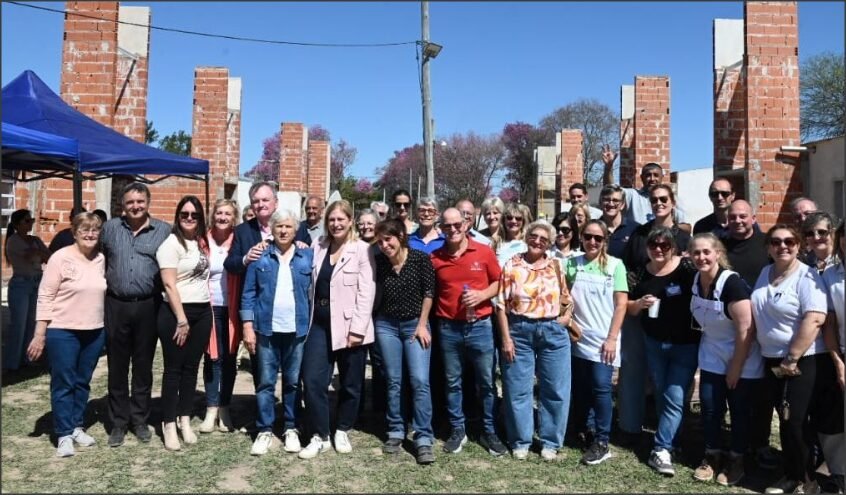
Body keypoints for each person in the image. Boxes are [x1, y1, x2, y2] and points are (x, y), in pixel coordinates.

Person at [751, 224, 828, 494]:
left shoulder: (806, 276)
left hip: (800, 360)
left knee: (795, 420)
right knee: (784, 420)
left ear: (798, 245)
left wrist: (792, 357)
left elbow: (816, 317)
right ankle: (792, 473)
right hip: (771, 358)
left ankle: (806, 480)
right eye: (775, 242)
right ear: (768, 247)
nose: (782, 246)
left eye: (789, 241)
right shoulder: (765, 272)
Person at [299, 200, 376, 459]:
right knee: (312, 380)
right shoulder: (317, 246)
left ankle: (342, 428)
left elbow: (367, 293)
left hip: (350, 325)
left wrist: (358, 328)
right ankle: (320, 434)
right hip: (318, 324)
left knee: (351, 383)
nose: (336, 224)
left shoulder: (363, 250)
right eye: (332, 219)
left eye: (341, 219)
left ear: (350, 221)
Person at [26, 212, 106, 457]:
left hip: (94, 330)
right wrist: (40, 334)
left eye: (95, 230)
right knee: (64, 383)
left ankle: (76, 426)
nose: (90, 234)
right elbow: (45, 296)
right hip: (63, 331)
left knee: (82, 382)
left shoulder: (101, 258)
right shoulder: (60, 258)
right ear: (75, 233)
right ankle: (63, 434)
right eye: (85, 230)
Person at [430, 207, 507, 456]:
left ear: (465, 224)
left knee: (485, 383)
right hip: (448, 328)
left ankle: (489, 430)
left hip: (480, 327)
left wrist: (483, 294)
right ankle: (457, 429)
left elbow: (501, 282)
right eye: (446, 226)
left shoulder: (483, 252)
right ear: (441, 228)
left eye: (456, 225)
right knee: (452, 383)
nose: (452, 229)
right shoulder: (436, 257)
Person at [688, 233, 763, 486]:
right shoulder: (696, 281)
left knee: (739, 410)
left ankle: (736, 459)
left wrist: (736, 367)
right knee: (710, 407)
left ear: (717, 253)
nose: (701, 257)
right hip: (712, 352)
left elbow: (747, 329)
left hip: (743, 355)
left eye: (706, 252)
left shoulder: (732, 284)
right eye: (696, 252)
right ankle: (711, 455)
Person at [100, 182, 171, 447]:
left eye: (140, 201)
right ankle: (118, 422)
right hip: (116, 304)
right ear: (122, 204)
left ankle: (139, 419)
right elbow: (100, 258)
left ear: (148, 202)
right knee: (117, 366)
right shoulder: (110, 229)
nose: (135, 206)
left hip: (148, 305)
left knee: (143, 365)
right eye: (130, 202)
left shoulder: (164, 230)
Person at [496, 220, 574, 461]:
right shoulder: (512, 264)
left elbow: (566, 298)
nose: (537, 240)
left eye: (543, 238)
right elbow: (500, 304)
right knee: (517, 389)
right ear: (527, 236)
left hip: (552, 331)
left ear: (550, 243)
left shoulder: (557, 265)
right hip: (519, 329)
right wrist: (506, 338)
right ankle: (521, 440)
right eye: (534, 235)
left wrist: (567, 317)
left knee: (555, 389)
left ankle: (550, 441)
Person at [627, 227, 700, 477]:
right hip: (654, 342)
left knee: (674, 395)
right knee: (660, 393)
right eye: (654, 245)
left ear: (673, 247)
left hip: (685, 344)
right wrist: (639, 304)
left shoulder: (687, 269)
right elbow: (629, 307)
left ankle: (661, 448)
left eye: (665, 245)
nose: (659, 249)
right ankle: (674, 441)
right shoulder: (640, 273)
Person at [240, 209, 313, 456]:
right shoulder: (260, 257)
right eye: (279, 226)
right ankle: (265, 429)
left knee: (293, 382)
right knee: (266, 382)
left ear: (295, 231)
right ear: (272, 229)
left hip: (297, 329)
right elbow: (248, 294)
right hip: (266, 330)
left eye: (288, 227)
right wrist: (247, 326)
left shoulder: (307, 256)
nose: (283, 231)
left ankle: (291, 427)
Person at [372, 218, 436, 465]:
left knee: (420, 380)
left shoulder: (419, 258)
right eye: (380, 241)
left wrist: (422, 324)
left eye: (388, 239)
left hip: (414, 325)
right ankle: (396, 429)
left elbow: (429, 293)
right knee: (394, 381)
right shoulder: (379, 261)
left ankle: (423, 437)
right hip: (387, 325)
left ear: (400, 236)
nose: (384, 245)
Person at [565, 219, 628, 466]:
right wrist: (569, 324)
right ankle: (586, 429)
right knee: (581, 387)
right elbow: (565, 298)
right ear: (581, 237)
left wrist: (612, 338)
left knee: (602, 388)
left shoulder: (616, 266)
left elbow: (621, 304)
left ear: (605, 241)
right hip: (578, 337)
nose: (592, 242)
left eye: (598, 238)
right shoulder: (572, 264)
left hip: (605, 339)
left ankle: (602, 440)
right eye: (588, 236)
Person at [722, 199, 779, 470]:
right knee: (731, 388)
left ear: (753, 217)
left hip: (763, 329)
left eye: (743, 216)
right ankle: (733, 440)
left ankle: (761, 443)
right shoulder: (721, 245)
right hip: (726, 329)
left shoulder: (767, 244)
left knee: (762, 393)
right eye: (733, 217)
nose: (738, 221)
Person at [155, 195, 212, 451]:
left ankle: (185, 419)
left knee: (192, 369)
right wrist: (181, 319)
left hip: (202, 312)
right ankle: (168, 424)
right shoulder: (171, 244)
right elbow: (169, 283)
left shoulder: (200, 243)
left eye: (194, 215)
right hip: (177, 314)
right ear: (177, 217)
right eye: (184, 214)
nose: (189, 218)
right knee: (174, 370)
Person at [224, 181, 279, 390]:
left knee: (290, 367)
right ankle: (263, 411)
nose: (261, 204)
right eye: (256, 201)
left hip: (287, 307)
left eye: (265, 200)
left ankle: (289, 415)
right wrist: (246, 258)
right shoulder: (242, 231)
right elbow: (230, 264)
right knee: (260, 363)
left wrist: (302, 245)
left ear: (276, 202)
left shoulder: (293, 226)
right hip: (257, 307)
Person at [199, 199, 241, 434]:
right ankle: (211, 408)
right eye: (219, 213)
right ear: (212, 216)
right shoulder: (202, 241)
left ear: (233, 218)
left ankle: (225, 407)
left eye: (227, 214)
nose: (223, 217)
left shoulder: (238, 241)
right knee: (211, 357)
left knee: (229, 357)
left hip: (233, 306)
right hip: (209, 305)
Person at [3, 209, 50, 372]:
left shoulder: (35, 239)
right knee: (19, 324)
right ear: (17, 225)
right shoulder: (14, 241)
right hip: (21, 284)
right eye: (27, 221)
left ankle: (28, 358)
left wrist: (39, 252)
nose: (30, 224)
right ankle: (12, 362)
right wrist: (39, 253)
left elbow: (49, 256)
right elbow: (31, 257)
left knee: (32, 323)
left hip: (36, 283)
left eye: (31, 221)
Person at [601, 145, 689, 230]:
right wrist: (608, 168)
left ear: (662, 177)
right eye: (648, 175)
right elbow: (610, 190)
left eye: (656, 175)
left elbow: (687, 227)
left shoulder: (671, 199)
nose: (652, 179)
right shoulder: (633, 196)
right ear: (641, 177)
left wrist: (668, 226)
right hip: (638, 241)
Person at [819, 222, 845, 493]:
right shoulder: (830, 275)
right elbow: (828, 323)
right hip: (840, 351)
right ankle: (839, 474)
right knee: (835, 417)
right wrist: (838, 363)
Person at [623, 185, 691, 271]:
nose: (658, 203)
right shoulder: (639, 234)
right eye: (654, 200)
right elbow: (627, 264)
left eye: (663, 199)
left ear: (673, 203)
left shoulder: (684, 238)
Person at [599, 184, 639, 259]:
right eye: (606, 200)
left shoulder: (635, 229)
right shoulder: (593, 228)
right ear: (600, 203)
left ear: (622, 205)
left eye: (615, 200)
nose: (611, 204)